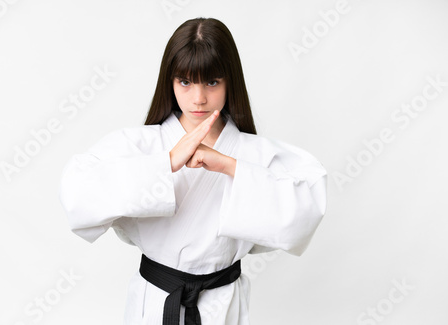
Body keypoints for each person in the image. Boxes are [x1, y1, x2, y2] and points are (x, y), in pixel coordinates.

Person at [59, 17, 327, 325]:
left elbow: (306, 207)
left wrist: (229, 165)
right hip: (155, 302)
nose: (198, 98)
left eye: (212, 82)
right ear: (169, 83)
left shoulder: (254, 153)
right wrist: (166, 163)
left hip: (222, 304)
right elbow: (77, 191)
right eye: (185, 82)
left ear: (230, 81)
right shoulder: (142, 145)